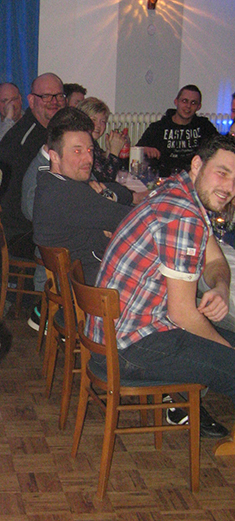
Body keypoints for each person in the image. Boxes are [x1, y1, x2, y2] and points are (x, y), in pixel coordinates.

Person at [90, 134, 235, 440]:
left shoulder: (180, 190)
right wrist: (226, 352)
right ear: (197, 165)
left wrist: (221, 287)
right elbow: (183, 314)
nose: (229, 188)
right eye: (222, 173)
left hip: (118, 335)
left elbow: (215, 260)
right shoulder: (181, 214)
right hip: (127, 347)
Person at [32, 107, 132, 283]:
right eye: (77, 151)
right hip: (90, 289)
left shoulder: (52, 182)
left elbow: (121, 193)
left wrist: (107, 201)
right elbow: (135, 220)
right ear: (54, 157)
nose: (89, 159)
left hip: (84, 280)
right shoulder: (67, 194)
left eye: (90, 150)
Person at [0, 72, 66, 256]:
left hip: (40, 222)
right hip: (22, 232)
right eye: (46, 96)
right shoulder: (24, 140)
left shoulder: (52, 132)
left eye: (59, 96)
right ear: (32, 101)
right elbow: (22, 202)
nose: (54, 102)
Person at [138, 84, 218, 176]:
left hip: (193, 176)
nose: (188, 106)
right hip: (164, 176)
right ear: (176, 102)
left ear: (199, 106)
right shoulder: (159, 127)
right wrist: (145, 149)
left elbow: (220, 146)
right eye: (184, 101)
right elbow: (136, 151)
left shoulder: (204, 126)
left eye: (193, 103)